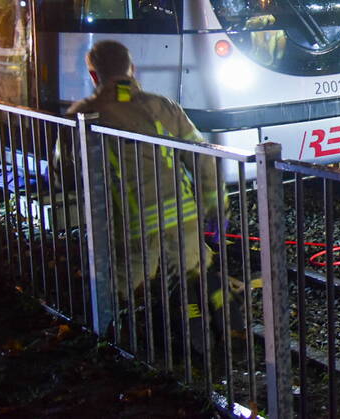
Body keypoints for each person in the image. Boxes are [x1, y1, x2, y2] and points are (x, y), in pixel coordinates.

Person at [62, 41, 226, 342]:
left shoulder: (83, 114)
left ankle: (111, 344)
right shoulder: (164, 106)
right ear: (132, 69)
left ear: (94, 76)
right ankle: (204, 345)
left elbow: (66, 173)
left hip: (131, 226)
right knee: (195, 279)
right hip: (183, 218)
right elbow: (202, 157)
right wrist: (214, 205)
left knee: (119, 290)